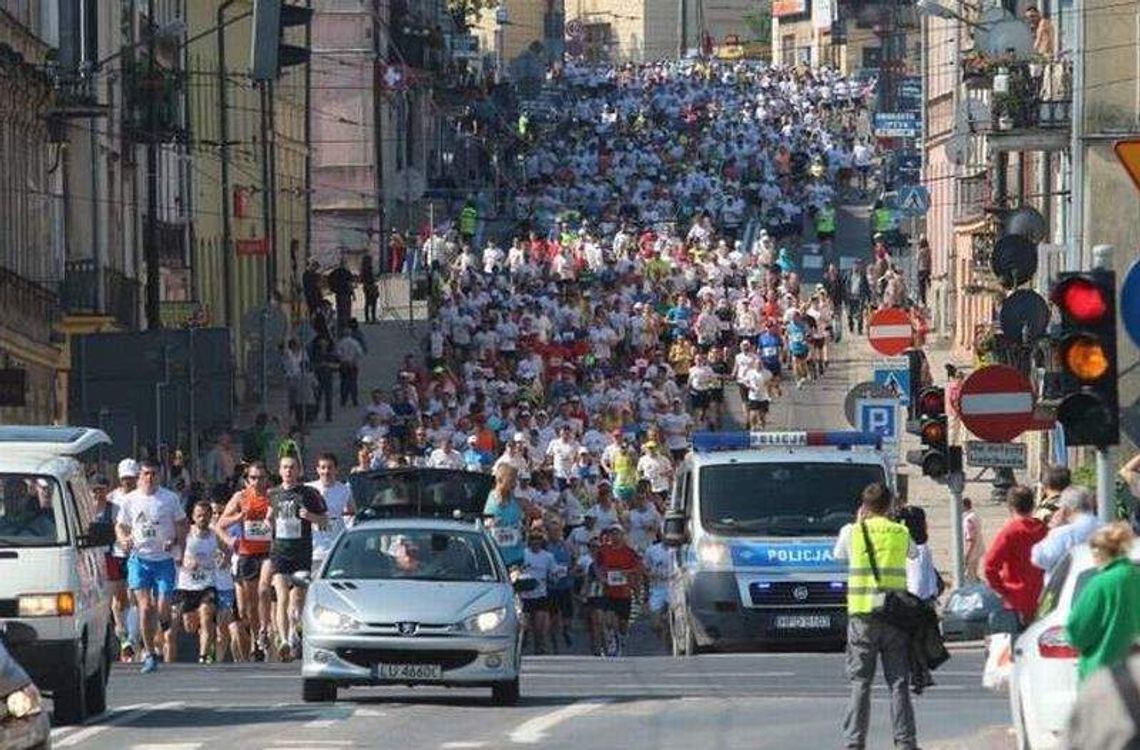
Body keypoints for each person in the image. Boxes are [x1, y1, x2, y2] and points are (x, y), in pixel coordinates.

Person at [833, 482, 918, 750]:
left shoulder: (851, 532)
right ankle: (905, 742)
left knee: (861, 683)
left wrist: (859, 522)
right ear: (890, 504)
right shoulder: (900, 532)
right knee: (898, 683)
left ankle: (854, 742)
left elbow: (838, 555)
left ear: (864, 506)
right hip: (894, 617)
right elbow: (914, 553)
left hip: (862, 616)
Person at [115, 460, 188, 674]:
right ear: (139, 476)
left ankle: (162, 626)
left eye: (153, 474)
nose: (149, 478)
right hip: (140, 560)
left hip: (163, 560)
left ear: (160, 476)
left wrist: (175, 542)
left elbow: (182, 524)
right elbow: (120, 525)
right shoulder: (130, 500)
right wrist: (123, 538)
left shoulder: (169, 498)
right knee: (146, 607)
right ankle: (149, 653)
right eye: (146, 474)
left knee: (163, 608)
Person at [267, 456, 328, 661]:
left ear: (299, 471)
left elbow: (325, 522)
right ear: (279, 470)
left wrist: (309, 516)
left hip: (301, 553)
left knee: (298, 599)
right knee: (282, 596)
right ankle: (283, 640)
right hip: (279, 553)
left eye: (292, 467)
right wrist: (268, 522)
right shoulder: (273, 493)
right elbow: (269, 516)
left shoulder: (309, 493)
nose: (288, 471)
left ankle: (294, 632)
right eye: (284, 467)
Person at [1067, 522, 1140, 682]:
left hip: (1104, 676)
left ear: (1100, 552)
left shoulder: (1100, 584)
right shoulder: (1136, 577)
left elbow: (1077, 633)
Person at [218, 461, 275, 662]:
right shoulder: (240, 497)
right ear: (247, 479)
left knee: (263, 589)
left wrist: (273, 519)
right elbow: (220, 524)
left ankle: (265, 630)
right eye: (253, 478)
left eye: (261, 478)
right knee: (249, 606)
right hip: (246, 553)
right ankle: (255, 637)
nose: (257, 482)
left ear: (267, 479)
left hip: (268, 552)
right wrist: (237, 523)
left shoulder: (273, 496)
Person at [983, 485, 1049, 629]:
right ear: (1032, 505)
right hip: (1043, 599)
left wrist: (1002, 590)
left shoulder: (1010, 532)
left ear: (1011, 507)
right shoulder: (1044, 530)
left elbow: (989, 566)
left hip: (1016, 601)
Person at [173, 501, 220, 664]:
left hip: (207, 584)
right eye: (199, 515)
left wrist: (220, 560)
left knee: (206, 617)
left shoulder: (215, 535)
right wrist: (185, 562)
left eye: (206, 515)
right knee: (190, 626)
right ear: (193, 517)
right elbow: (175, 553)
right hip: (187, 585)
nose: (203, 519)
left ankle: (203, 655)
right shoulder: (185, 534)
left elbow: (225, 553)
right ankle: (208, 636)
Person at [1031, 485, 1102, 576]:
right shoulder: (1106, 527)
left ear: (1065, 509)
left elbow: (1039, 558)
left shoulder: (1063, 533)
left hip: (1069, 586)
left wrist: (1052, 530)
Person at [595, 524, 643, 657]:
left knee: (623, 624)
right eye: (612, 534)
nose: (614, 536)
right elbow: (597, 566)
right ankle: (611, 643)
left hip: (624, 592)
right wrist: (601, 577)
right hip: (608, 591)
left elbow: (638, 569)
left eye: (617, 533)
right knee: (609, 620)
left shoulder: (629, 552)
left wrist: (626, 573)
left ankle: (621, 638)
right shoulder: (603, 550)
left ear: (622, 535)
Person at [307, 453, 356, 572]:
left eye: (330, 467)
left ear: (336, 469)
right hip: (315, 544)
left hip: (335, 541)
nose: (326, 471)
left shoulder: (344, 489)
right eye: (323, 467)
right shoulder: (309, 488)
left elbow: (352, 511)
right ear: (318, 470)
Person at [484, 464, 525, 568]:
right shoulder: (485, 500)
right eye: (512, 480)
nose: (515, 484)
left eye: (516, 480)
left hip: (515, 559)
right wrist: (487, 524)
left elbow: (540, 514)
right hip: (492, 559)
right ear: (500, 479)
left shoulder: (519, 502)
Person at [326, 257, 355, 335]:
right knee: (347, 312)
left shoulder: (335, 272)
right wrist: (353, 294)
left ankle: (340, 329)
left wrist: (333, 289)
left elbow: (329, 279)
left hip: (339, 294)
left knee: (340, 312)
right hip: (346, 294)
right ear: (344, 264)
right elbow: (350, 284)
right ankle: (346, 329)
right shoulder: (347, 272)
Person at [962, 497, 985, 583]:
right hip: (978, 549)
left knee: (969, 577)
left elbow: (971, 539)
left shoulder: (968, 520)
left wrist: (966, 556)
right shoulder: (975, 515)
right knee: (974, 574)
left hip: (971, 551)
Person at [360, 253, 379, 324]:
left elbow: (362, 279)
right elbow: (369, 279)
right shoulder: (368, 269)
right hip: (370, 286)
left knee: (367, 303)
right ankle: (372, 318)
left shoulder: (363, 269)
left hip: (366, 287)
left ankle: (367, 318)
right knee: (373, 303)